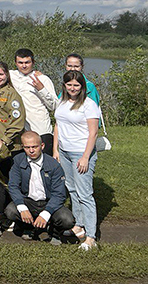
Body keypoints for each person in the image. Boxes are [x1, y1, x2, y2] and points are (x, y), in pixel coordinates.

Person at [53, 70, 100, 251]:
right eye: (69, 84)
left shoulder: (89, 104)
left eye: (76, 85)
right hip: (64, 152)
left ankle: (90, 236)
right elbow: (58, 125)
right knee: (72, 189)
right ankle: (78, 224)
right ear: (64, 85)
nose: (72, 88)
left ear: (82, 87)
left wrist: (86, 157)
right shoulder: (62, 102)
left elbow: (93, 133)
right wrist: (55, 149)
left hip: (81, 153)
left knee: (85, 194)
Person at [5, 131, 75, 245]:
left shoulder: (54, 165)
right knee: (11, 211)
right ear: (23, 147)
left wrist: (46, 213)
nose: (31, 150)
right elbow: (13, 185)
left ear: (42, 146)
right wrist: (22, 207)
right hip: (28, 201)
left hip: (48, 201)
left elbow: (59, 193)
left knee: (67, 220)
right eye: (27, 147)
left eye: (34, 147)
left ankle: (54, 231)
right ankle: (28, 227)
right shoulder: (18, 161)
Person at [10, 49, 56, 154]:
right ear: (15, 63)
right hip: (20, 132)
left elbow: (54, 106)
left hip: (41, 130)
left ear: (33, 63)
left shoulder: (43, 79)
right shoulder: (10, 75)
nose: (24, 66)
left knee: (44, 166)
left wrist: (41, 89)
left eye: (27, 62)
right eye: (20, 63)